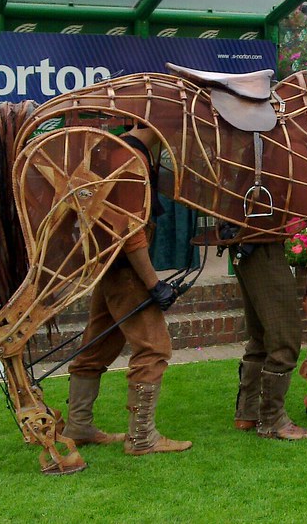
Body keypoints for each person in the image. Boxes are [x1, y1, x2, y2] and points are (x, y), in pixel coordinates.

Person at [63, 124, 190, 456]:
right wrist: (154, 284)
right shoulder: (130, 159)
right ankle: (142, 437)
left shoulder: (121, 149)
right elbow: (130, 231)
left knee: (98, 345)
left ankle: (78, 425)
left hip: (109, 267)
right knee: (154, 348)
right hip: (125, 271)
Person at [231, 242, 307, 440]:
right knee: (284, 335)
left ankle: (248, 412)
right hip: (261, 242)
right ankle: (272, 420)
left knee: (262, 333)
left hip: (249, 242)